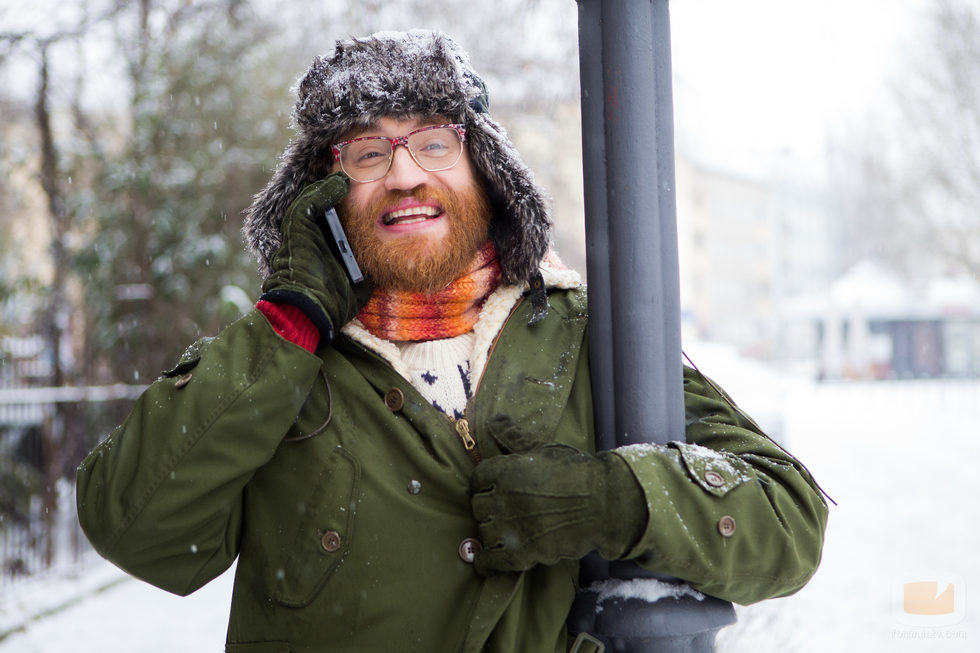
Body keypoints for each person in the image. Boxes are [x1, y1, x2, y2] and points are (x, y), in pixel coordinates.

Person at [76, 30, 828, 653]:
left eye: (433, 142)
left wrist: (621, 501)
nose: (404, 173)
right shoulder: (278, 358)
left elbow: (791, 521)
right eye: (367, 153)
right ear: (325, 193)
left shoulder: (582, 333)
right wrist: (289, 322)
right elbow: (138, 528)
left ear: (484, 168)